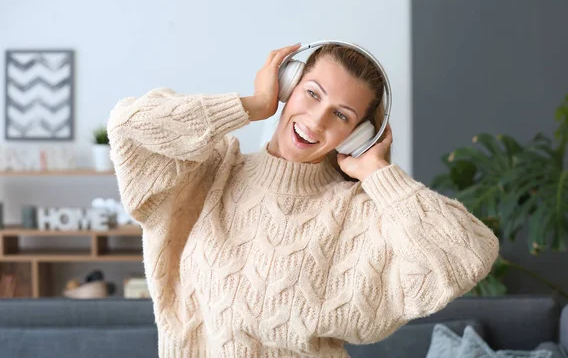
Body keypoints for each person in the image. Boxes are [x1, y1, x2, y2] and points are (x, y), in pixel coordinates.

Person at [107, 42, 499, 358]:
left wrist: (377, 173)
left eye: (341, 115)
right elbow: (129, 127)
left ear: (359, 134)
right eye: (311, 93)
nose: (316, 121)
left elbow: (467, 254)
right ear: (287, 85)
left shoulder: (356, 212)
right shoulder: (210, 172)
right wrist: (254, 105)